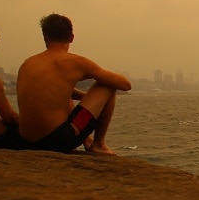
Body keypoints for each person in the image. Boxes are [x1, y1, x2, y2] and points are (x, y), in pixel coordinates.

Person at [15, 13, 131, 154]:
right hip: (58, 141)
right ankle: (98, 144)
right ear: (71, 38)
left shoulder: (27, 63)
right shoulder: (76, 62)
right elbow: (125, 85)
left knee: (65, 95)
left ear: (45, 37)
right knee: (108, 84)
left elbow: (56, 93)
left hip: (26, 141)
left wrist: (85, 97)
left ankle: (87, 140)